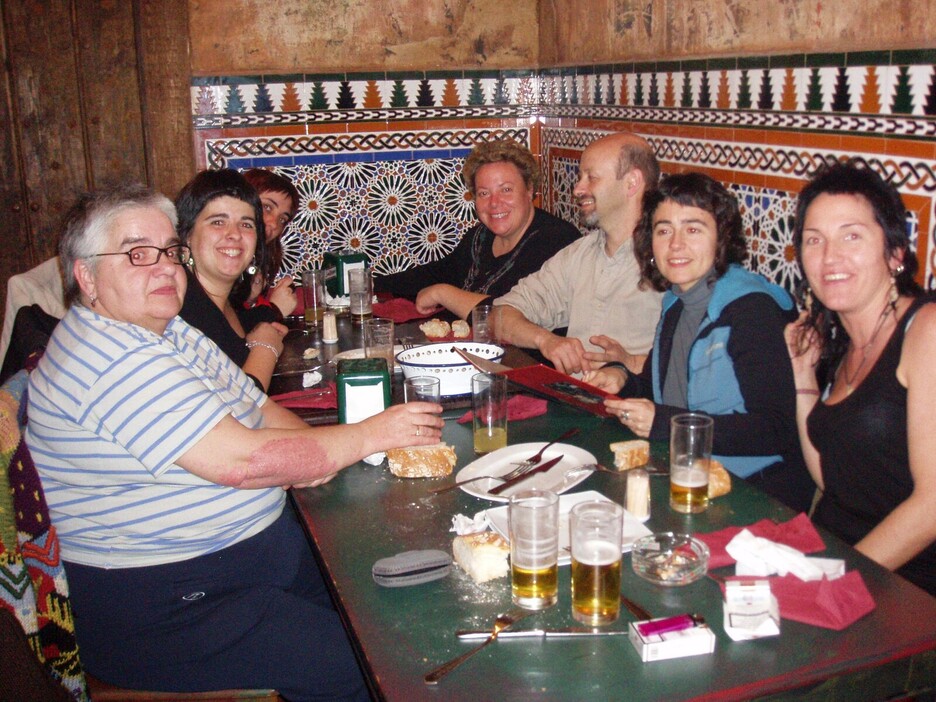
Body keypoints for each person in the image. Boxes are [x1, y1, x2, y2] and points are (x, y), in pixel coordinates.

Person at [25, 184, 444, 698]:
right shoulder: (110, 359)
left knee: (395, 609)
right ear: (85, 275)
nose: (164, 268)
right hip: (169, 606)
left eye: (170, 252)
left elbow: (260, 409)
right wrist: (371, 434)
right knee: (373, 667)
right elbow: (245, 463)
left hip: (239, 564)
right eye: (138, 254)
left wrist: (322, 457)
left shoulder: (165, 330)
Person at [584, 172, 813, 512]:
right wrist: (622, 377)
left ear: (721, 237)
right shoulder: (677, 303)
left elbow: (775, 428)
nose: (675, 244)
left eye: (693, 229)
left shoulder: (752, 312)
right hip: (686, 478)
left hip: (754, 495)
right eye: (664, 230)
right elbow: (668, 389)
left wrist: (667, 424)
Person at [785, 161, 936, 595]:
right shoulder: (839, 340)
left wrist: (838, 583)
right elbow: (832, 480)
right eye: (814, 240)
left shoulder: (924, 330)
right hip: (834, 557)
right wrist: (802, 375)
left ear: (895, 253)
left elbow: (930, 507)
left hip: (907, 590)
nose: (830, 256)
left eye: (851, 235)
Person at [491, 132, 663, 375]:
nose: (578, 189)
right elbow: (499, 316)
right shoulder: (580, 254)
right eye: (580, 177)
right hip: (577, 403)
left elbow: (697, 362)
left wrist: (630, 364)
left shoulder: (670, 257)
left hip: (636, 407)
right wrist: (546, 341)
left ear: (632, 182)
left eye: (591, 178)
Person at [374, 139, 581, 319]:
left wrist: (441, 293)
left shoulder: (556, 240)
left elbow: (505, 310)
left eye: (506, 190)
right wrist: (370, 285)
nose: (494, 203)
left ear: (529, 190)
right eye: (483, 193)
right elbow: (438, 272)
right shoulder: (481, 236)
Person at [175, 169, 288, 392]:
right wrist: (265, 348)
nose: (234, 234)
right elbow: (236, 406)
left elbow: (240, 328)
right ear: (187, 236)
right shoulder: (184, 311)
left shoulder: (221, 301)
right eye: (218, 222)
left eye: (246, 224)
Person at [243, 167, 300, 318]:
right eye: (267, 207)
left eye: (282, 219)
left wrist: (250, 299)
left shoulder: (255, 266)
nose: (274, 224)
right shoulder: (223, 262)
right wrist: (275, 310)